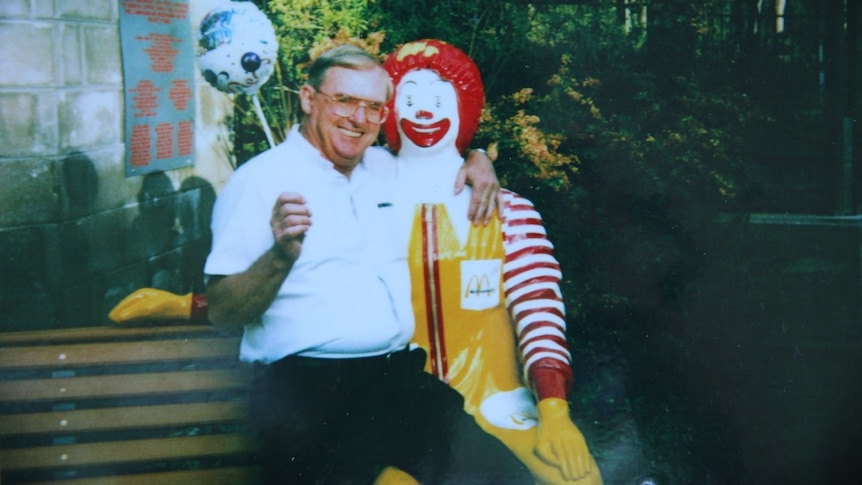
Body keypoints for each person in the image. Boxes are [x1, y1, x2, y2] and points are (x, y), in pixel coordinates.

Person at [203, 44, 533, 484]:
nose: (359, 119)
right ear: (308, 98)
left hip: (396, 379)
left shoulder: (383, 169)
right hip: (308, 392)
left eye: (374, 107)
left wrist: (480, 158)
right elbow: (223, 311)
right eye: (344, 101)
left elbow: (443, 163)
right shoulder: (257, 183)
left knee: (506, 479)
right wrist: (280, 256)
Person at [379, 39, 604, 485]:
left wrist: (554, 410)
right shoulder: (363, 203)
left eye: (440, 99)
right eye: (409, 98)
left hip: (499, 403)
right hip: (402, 411)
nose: (424, 113)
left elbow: (539, 312)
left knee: (577, 481)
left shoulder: (512, 211)